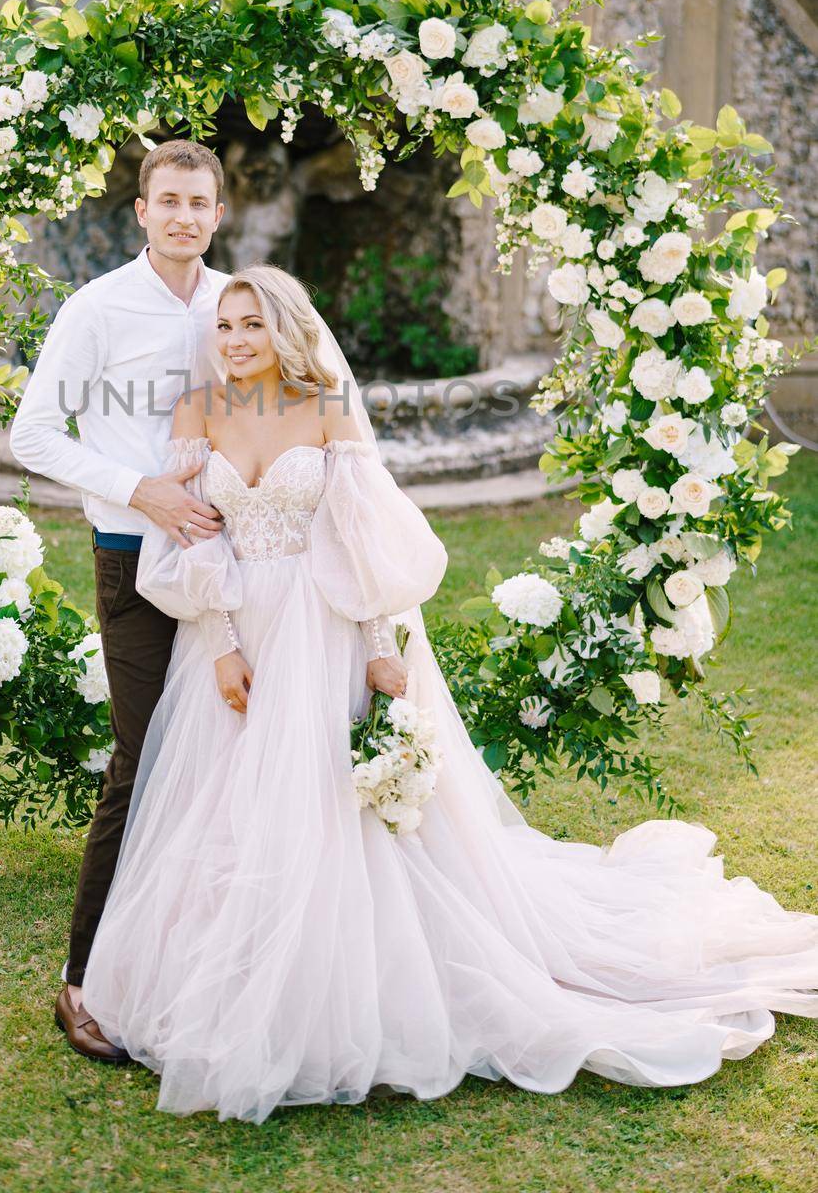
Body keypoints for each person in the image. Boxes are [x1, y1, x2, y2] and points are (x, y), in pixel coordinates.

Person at [77, 263, 818, 1123]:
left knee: (335, 803)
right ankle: (231, 974)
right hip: (237, 632)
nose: (235, 342)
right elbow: (197, 541)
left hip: (325, 627)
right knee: (232, 805)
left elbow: (361, 542)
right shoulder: (197, 410)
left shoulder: (326, 410)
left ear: (285, 330)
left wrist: (379, 651)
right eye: (226, 327)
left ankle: (346, 987)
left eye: (252, 326)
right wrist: (222, 649)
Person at [8, 139, 232, 1060]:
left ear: (219, 215)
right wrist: (141, 489)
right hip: (132, 556)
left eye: (200, 203)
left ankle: (198, 961)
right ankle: (82, 978)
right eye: (167, 200)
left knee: (226, 755)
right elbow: (34, 433)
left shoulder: (238, 304)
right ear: (139, 211)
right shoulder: (95, 308)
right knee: (143, 758)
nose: (184, 216)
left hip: (234, 566)